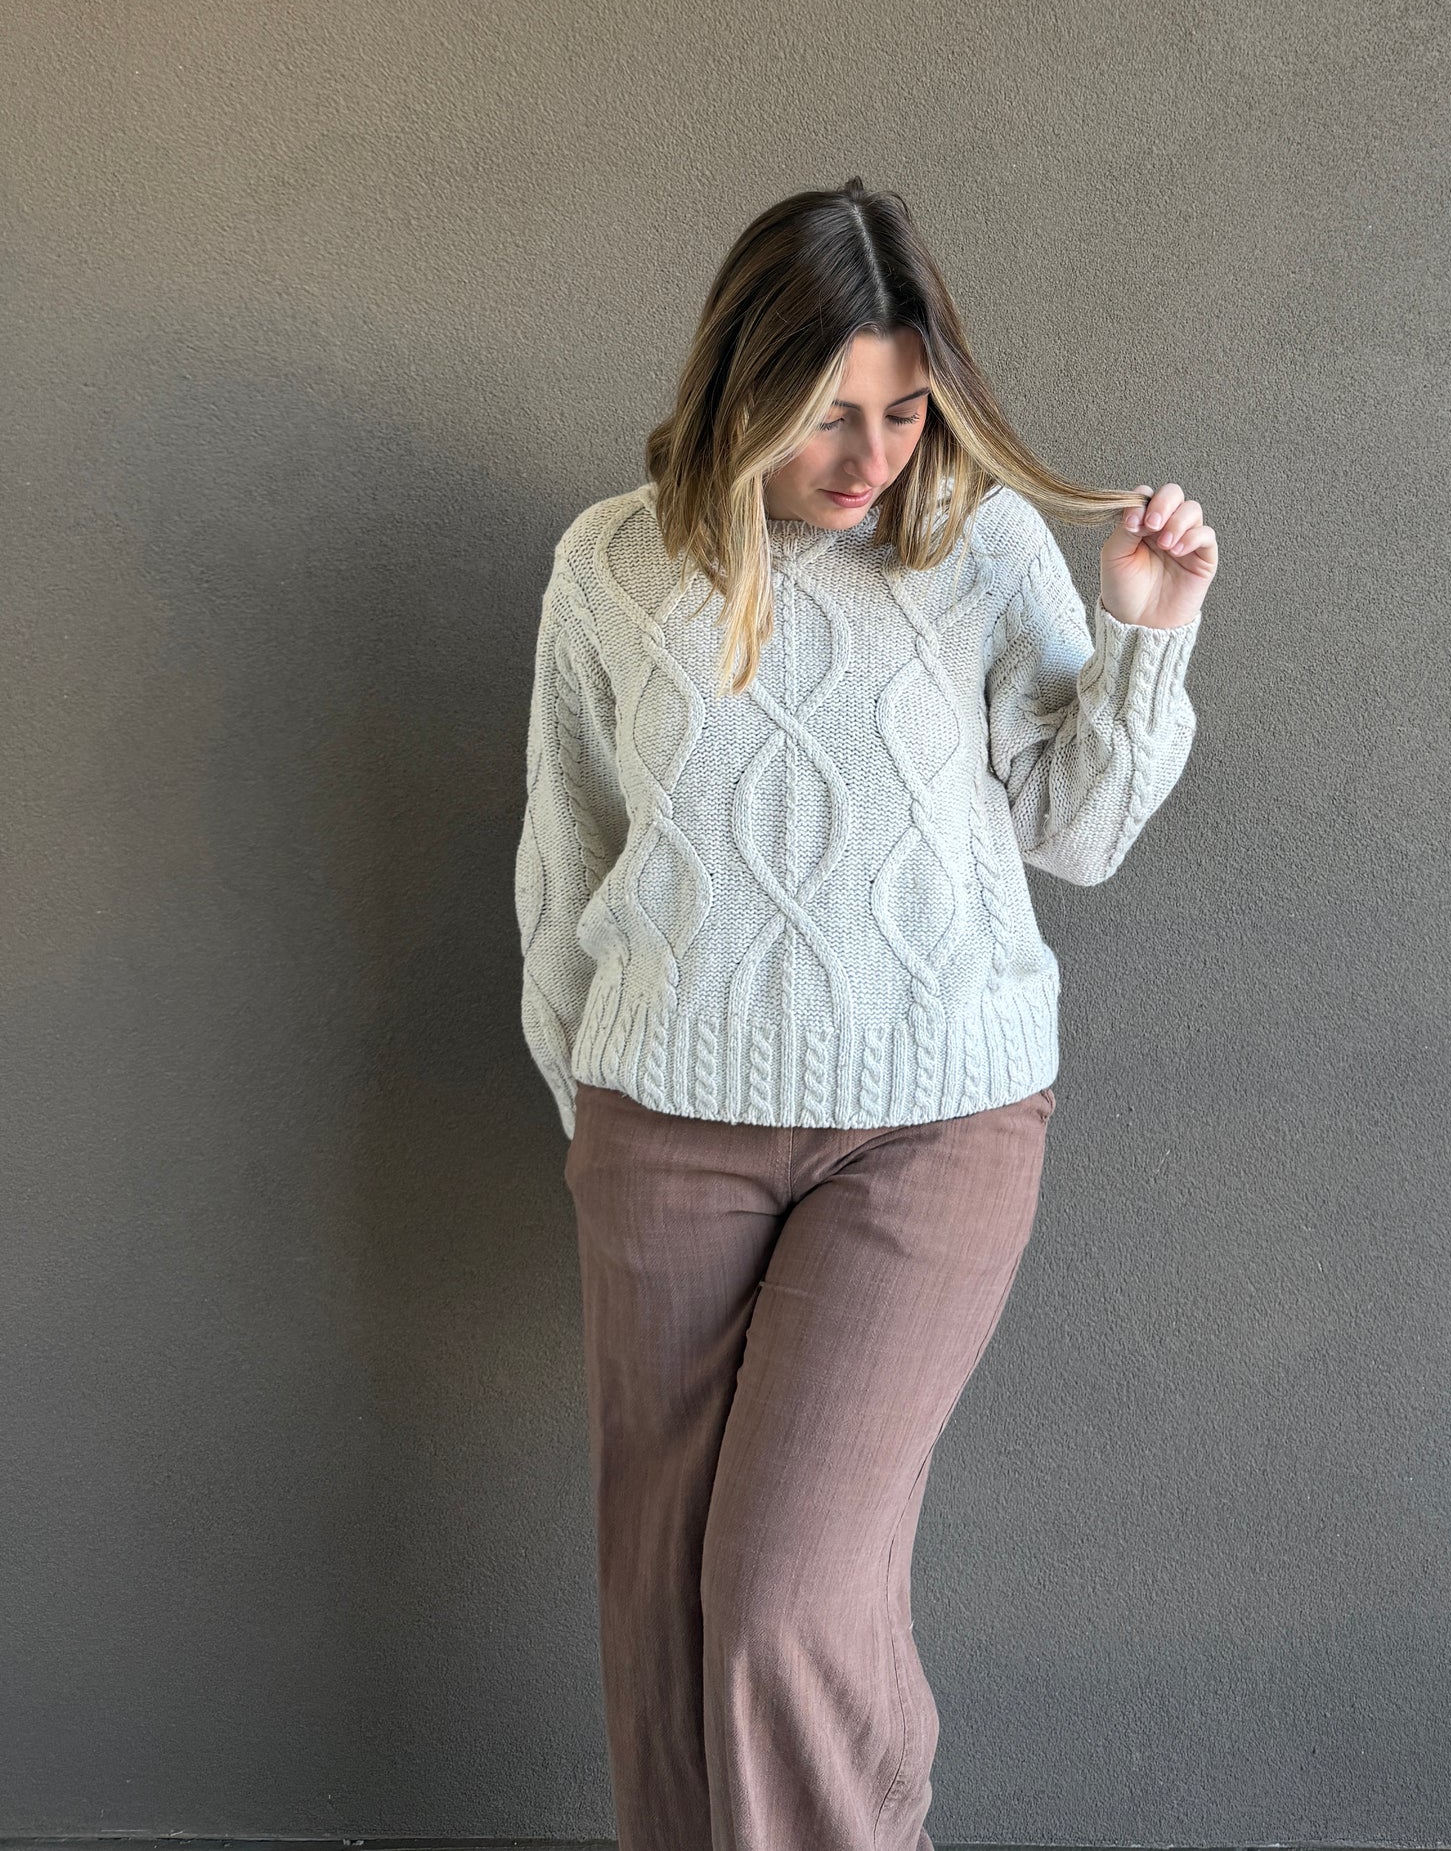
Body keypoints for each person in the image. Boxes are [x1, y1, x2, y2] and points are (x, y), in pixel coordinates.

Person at [515, 174, 1217, 1851]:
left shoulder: (976, 547)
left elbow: (1076, 836)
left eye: (903, 413)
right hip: (662, 1125)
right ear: (741, 385)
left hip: (931, 1123)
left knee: (783, 1600)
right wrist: (591, 1111)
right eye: (831, 412)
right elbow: (569, 862)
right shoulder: (612, 566)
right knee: (662, 1608)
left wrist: (1141, 637)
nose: (871, 456)